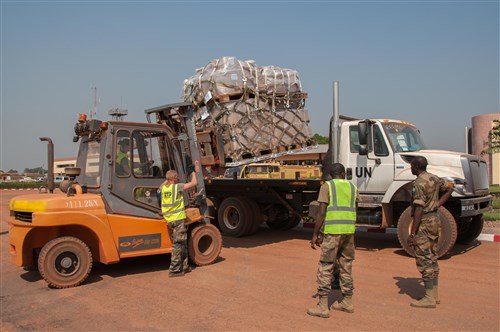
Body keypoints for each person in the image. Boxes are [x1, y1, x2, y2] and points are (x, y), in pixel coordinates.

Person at [307, 163, 358, 318]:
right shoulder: (352, 187)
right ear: (343, 173)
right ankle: (347, 301)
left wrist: (316, 233)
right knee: (346, 265)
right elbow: (356, 208)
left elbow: (321, 213)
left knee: (326, 266)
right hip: (349, 232)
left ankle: (323, 306)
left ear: (331, 174)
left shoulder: (327, 187)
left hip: (333, 231)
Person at [408, 156, 453, 308]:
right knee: (433, 256)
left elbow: (419, 208)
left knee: (424, 258)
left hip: (425, 222)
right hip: (435, 220)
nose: (411, 168)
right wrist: (437, 205)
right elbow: (450, 188)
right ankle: (434, 294)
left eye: (412, 165)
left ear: (417, 166)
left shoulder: (419, 183)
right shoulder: (435, 178)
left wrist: (412, 233)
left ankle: (429, 298)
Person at [160, 169, 197, 278]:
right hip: (177, 220)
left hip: (169, 220)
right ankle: (174, 269)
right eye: (176, 177)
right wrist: (193, 172)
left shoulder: (164, 188)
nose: (178, 178)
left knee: (182, 243)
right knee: (177, 244)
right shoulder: (177, 187)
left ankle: (184, 266)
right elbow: (194, 183)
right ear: (175, 177)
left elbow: (160, 186)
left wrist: (167, 179)